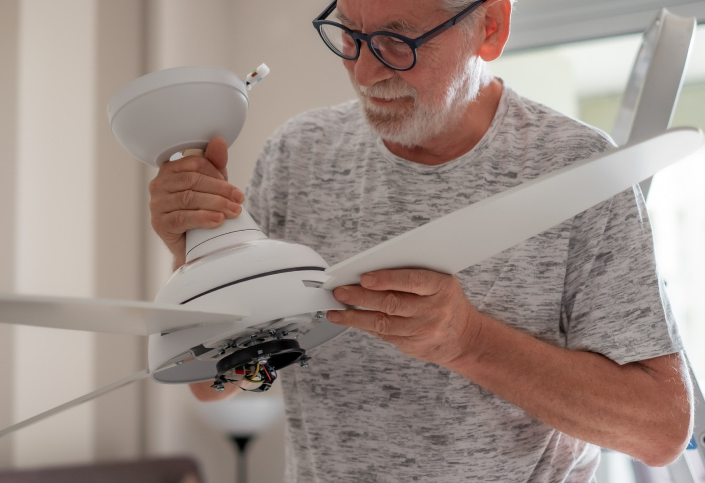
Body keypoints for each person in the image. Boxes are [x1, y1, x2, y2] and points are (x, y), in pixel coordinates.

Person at [148, 0, 694, 480]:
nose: (363, 72)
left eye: (395, 40)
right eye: (350, 34)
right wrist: (195, 248)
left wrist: (468, 341)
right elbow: (213, 383)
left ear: (491, 27)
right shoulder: (298, 155)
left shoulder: (579, 173)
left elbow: (660, 431)